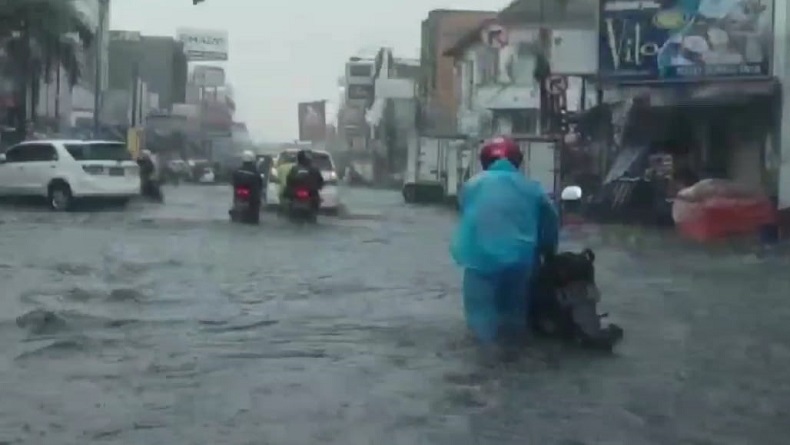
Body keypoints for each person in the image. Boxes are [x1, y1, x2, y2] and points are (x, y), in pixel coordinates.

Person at [450, 136, 560, 344]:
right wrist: (548, 251)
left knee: (480, 321)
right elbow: (550, 222)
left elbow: (468, 213)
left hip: (479, 262)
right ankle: (513, 355)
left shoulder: (471, 186)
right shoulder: (532, 188)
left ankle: (484, 355)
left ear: (485, 162)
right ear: (517, 161)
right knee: (514, 320)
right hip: (520, 261)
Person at [231, 150, 263, 220]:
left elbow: (233, 182)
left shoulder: (237, 170)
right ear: (252, 159)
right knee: (256, 202)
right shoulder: (255, 171)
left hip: (240, 196)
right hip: (252, 197)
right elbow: (260, 183)